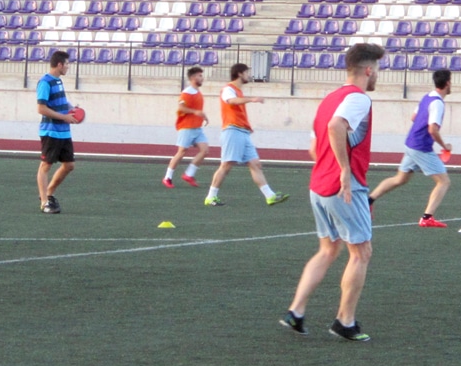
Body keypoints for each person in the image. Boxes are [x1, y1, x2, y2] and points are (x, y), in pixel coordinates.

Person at [283, 42, 386, 342]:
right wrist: (343, 171)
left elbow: (314, 147)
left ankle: (296, 311)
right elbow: (335, 126)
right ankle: (345, 321)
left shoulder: (329, 98)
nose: (378, 74)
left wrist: (331, 169)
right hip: (343, 187)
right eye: (378, 69)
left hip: (319, 186)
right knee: (361, 252)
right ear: (368, 70)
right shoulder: (358, 99)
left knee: (328, 250)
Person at [369, 68, 453, 227]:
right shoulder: (437, 103)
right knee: (444, 181)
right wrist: (445, 146)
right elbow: (432, 129)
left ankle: (368, 201)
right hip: (421, 147)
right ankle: (427, 217)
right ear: (448, 83)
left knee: (400, 179)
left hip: (411, 143)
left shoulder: (427, 97)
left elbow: (414, 117)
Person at [206, 63, 287, 207]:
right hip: (233, 130)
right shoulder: (228, 89)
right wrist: (252, 99)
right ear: (240, 74)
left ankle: (270, 196)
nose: (249, 75)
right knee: (226, 165)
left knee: (255, 164)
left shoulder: (237, 91)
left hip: (242, 132)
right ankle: (211, 197)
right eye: (247, 73)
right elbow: (231, 101)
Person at [36, 49, 79, 214]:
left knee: (69, 165)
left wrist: (72, 109)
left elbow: (61, 101)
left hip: (63, 131)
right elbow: (41, 108)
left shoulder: (58, 81)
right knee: (45, 165)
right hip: (51, 131)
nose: (68, 67)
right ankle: (44, 202)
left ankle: (48, 193)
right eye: (67, 64)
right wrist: (64, 117)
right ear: (59, 64)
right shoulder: (45, 82)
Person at [163, 65, 209, 189]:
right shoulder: (187, 92)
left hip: (197, 128)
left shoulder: (197, 92)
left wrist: (203, 116)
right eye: (200, 76)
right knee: (181, 152)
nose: (202, 78)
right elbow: (181, 107)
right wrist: (195, 112)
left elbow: (197, 110)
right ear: (193, 78)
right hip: (187, 127)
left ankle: (189, 174)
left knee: (204, 150)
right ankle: (167, 177)